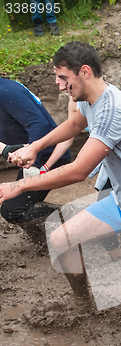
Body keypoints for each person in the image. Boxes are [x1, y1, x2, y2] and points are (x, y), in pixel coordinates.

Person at [0, 41, 121, 304]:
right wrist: (36, 146)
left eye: (63, 77)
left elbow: (79, 171)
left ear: (85, 72)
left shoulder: (112, 108)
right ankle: (83, 305)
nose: (58, 83)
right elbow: (75, 123)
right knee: (59, 238)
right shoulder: (90, 100)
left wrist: (19, 186)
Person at [0, 77, 71, 244]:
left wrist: (36, 164)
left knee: (13, 210)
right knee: (17, 205)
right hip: (26, 156)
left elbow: (38, 124)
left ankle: (73, 216)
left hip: (49, 157)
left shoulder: (6, 91)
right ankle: (43, 244)